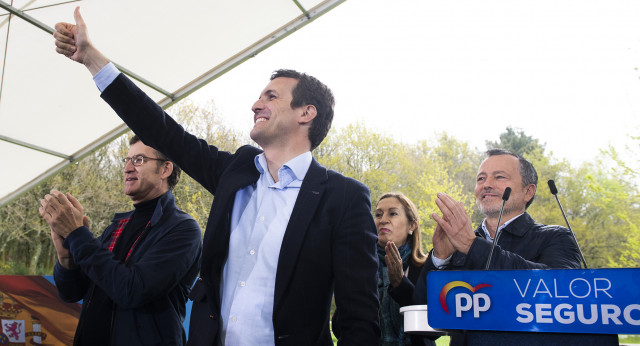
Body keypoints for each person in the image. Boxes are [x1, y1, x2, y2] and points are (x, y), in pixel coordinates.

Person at [53, 8, 380, 345]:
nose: (256, 104)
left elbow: (360, 319)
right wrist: (91, 59)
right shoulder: (236, 172)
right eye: (258, 96)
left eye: (271, 96)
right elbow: (161, 130)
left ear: (306, 113)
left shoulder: (343, 197)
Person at [413, 148, 618, 345]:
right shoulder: (459, 242)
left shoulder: (555, 237)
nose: (486, 184)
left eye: (499, 177)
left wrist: (471, 245)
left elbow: (558, 289)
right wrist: (439, 259)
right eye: (481, 178)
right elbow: (421, 320)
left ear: (528, 192)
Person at [39, 135, 202, 345]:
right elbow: (71, 292)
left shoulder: (183, 229)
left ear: (165, 169)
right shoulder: (116, 227)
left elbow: (132, 291)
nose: (127, 168)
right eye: (126, 160)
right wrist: (66, 258)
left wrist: (77, 234)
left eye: (139, 160)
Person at [334, 192, 434, 346]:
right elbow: (338, 329)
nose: (383, 220)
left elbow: (432, 329)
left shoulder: (427, 267)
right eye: (378, 214)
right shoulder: (359, 266)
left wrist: (401, 284)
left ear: (412, 225)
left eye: (393, 213)